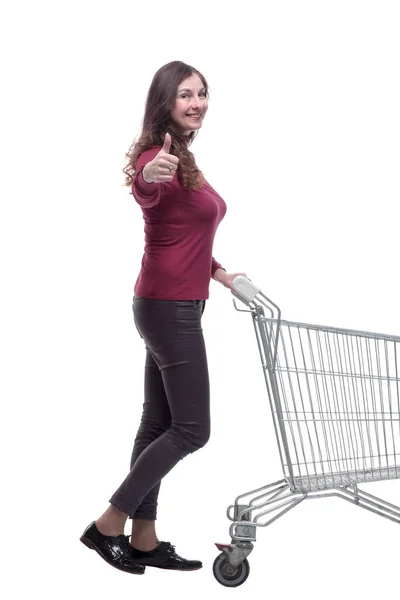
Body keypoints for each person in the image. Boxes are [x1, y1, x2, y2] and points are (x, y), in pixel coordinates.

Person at [80, 60, 248, 576]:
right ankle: (109, 524)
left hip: (171, 302)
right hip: (168, 309)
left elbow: (182, 234)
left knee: (158, 422)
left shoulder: (186, 157)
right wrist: (146, 180)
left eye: (202, 93)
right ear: (164, 103)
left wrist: (220, 273)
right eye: (185, 95)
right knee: (192, 430)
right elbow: (149, 196)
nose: (196, 102)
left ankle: (145, 539)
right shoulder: (159, 157)